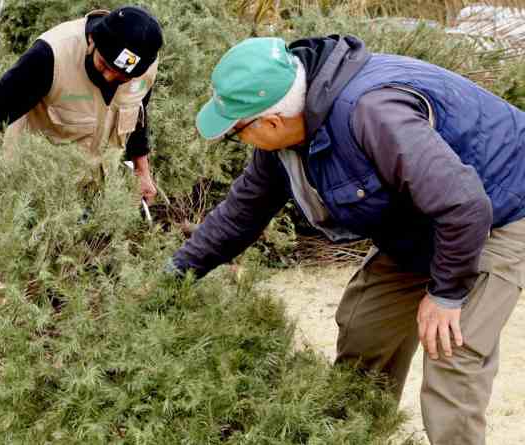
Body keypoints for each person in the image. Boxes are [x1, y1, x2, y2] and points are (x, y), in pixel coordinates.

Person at [170, 36, 525, 445]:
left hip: (500, 211)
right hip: (426, 220)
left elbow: (465, 206)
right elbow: (242, 212)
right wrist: (175, 274)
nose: (241, 141)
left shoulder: (371, 113)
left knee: (452, 355)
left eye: (237, 131)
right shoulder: (284, 141)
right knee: (364, 331)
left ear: (270, 122)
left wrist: (446, 295)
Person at [0, 6, 163, 203]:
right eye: (104, 65)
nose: (109, 77)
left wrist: (142, 171)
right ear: (92, 40)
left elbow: (137, 114)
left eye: (122, 78)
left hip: (94, 194)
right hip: (30, 193)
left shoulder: (144, 67)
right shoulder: (51, 56)